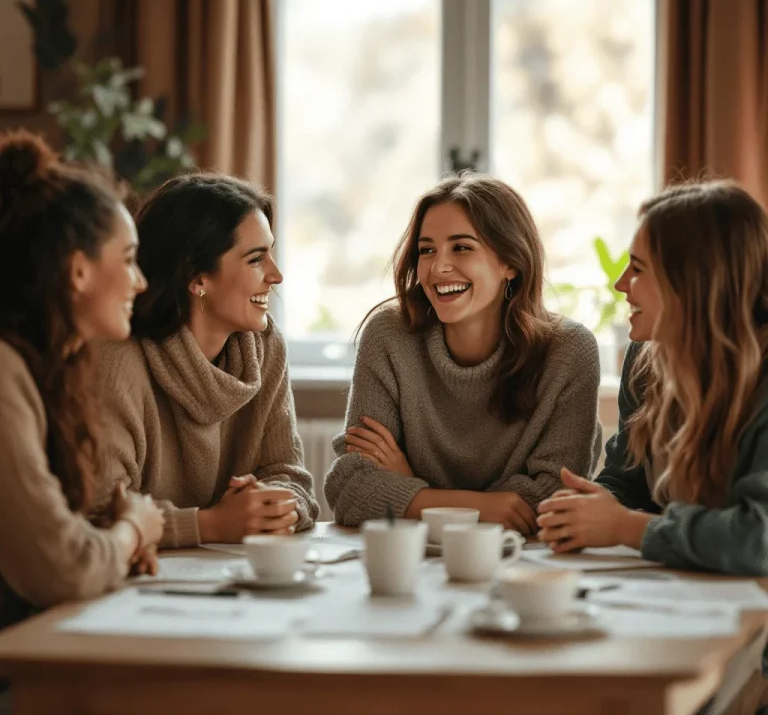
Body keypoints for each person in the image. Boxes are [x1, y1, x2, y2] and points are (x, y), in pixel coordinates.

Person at [324, 173, 601, 529]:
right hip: (412, 560)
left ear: (510, 262)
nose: (438, 267)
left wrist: (411, 491)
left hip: (517, 563)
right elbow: (350, 487)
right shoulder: (389, 335)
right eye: (427, 250)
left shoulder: (568, 352)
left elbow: (550, 499)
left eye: (462, 247)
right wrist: (482, 506)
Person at [537, 181, 768, 575]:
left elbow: (757, 539)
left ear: (695, 282)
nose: (621, 284)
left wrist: (624, 526)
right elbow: (628, 480)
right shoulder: (645, 361)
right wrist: (586, 508)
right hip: (684, 592)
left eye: (639, 269)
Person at [94, 173, 319, 548]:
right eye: (256, 259)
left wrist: (271, 507)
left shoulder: (266, 347)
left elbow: (290, 476)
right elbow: (100, 517)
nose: (276, 275)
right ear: (198, 278)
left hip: (228, 580)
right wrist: (210, 525)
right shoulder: (118, 364)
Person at [0, 130, 164, 631]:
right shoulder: (4, 372)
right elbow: (62, 568)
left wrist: (110, 536)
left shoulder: (55, 370)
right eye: (130, 259)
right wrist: (133, 531)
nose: (142, 282)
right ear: (78, 272)